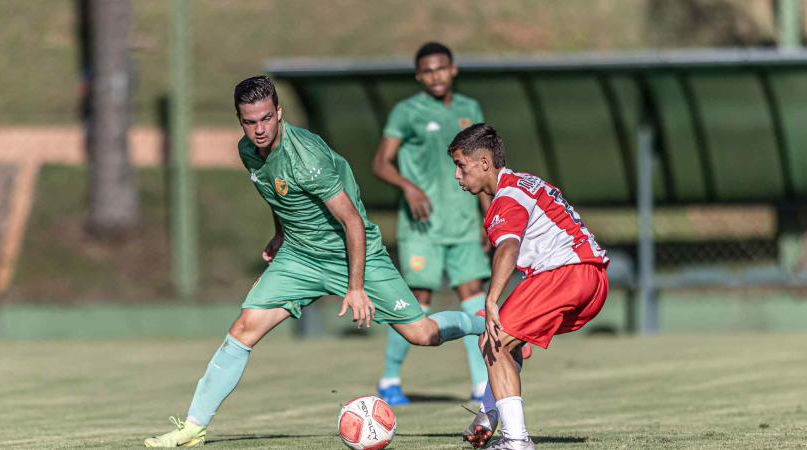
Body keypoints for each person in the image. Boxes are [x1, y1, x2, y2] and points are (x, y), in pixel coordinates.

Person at [143, 76, 486, 448]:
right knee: (244, 328)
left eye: (265, 119)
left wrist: (355, 288)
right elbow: (276, 193)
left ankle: (482, 324)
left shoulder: (308, 159)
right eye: (249, 121)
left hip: (354, 253)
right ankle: (194, 427)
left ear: (278, 113)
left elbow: (352, 221)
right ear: (240, 120)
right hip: (300, 257)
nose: (258, 129)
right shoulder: (248, 151)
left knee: (422, 334)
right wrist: (280, 235)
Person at [448, 124, 609, 450]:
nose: (457, 175)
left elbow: (508, 248)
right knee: (504, 343)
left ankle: (516, 441)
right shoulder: (526, 181)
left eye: (461, 165)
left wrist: (492, 299)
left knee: (492, 339)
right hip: (594, 280)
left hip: (564, 275)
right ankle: (489, 415)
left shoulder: (506, 198)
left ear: (483, 163)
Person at [371, 42, 492, 406]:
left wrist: (490, 217)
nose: (435, 75)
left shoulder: (470, 109)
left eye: (441, 68)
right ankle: (390, 380)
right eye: (427, 71)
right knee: (417, 301)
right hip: (422, 227)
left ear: (453, 69)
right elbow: (381, 163)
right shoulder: (407, 112)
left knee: (476, 300)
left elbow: (483, 168)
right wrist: (408, 188)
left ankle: (481, 385)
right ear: (418, 76)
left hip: (463, 225)